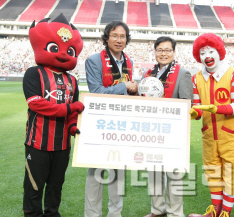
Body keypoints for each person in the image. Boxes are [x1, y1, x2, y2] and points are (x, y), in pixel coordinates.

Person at [22, 14, 84, 217]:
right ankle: (32, 214)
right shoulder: (34, 73)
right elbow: (37, 104)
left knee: (56, 185)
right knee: (34, 184)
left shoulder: (72, 80)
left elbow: (73, 112)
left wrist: (73, 125)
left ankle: (52, 213)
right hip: (37, 142)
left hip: (62, 145)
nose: (64, 54)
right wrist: (68, 109)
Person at [188, 33, 234, 217]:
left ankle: (225, 213)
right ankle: (215, 211)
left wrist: (217, 108)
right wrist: (192, 112)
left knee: (232, 174)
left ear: (219, 52)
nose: (207, 55)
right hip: (209, 136)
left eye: (211, 51)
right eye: (203, 51)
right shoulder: (196, 78)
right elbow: (197, 107)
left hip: (233, 136)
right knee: (213, 173)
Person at [84, 20, 137, 217]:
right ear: (107, 38)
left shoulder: (129, 61)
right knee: (95, 174)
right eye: (114, 35)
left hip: (121, 125)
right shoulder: (94, 60)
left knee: (118, 174)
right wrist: (126, 87)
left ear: (127, 39)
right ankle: (92, 214)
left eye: (122, 36)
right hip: (99, 125)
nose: (118, 40)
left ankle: (115, 214)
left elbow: (129, 93)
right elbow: (96, 91)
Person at [142, 36, 193, 217]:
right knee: (154, 173)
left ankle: (174, 212)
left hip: (173, 133)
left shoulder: (183, 74)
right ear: (155, 52)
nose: (163, 53)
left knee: (174, 175)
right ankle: (157, 209)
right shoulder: (148, 74)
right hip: (152, 131)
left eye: (167, 50)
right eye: (160, 50)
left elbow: (189, 104)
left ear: (173, 52)